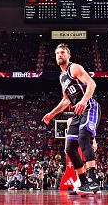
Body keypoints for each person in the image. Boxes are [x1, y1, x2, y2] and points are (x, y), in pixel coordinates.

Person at [43, 43, 101, 195]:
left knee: (83, 138)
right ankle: (82, 184)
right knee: (69, 148)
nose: (60, 55)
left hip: (89, 106)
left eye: (62, 52)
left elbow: (92, 84)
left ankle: (93, 181)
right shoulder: (62, 77)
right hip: (77, 112)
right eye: (57, 53)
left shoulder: (74, 68)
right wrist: (52, 114)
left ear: (68, 56)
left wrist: (83, 101)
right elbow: (66, 101)